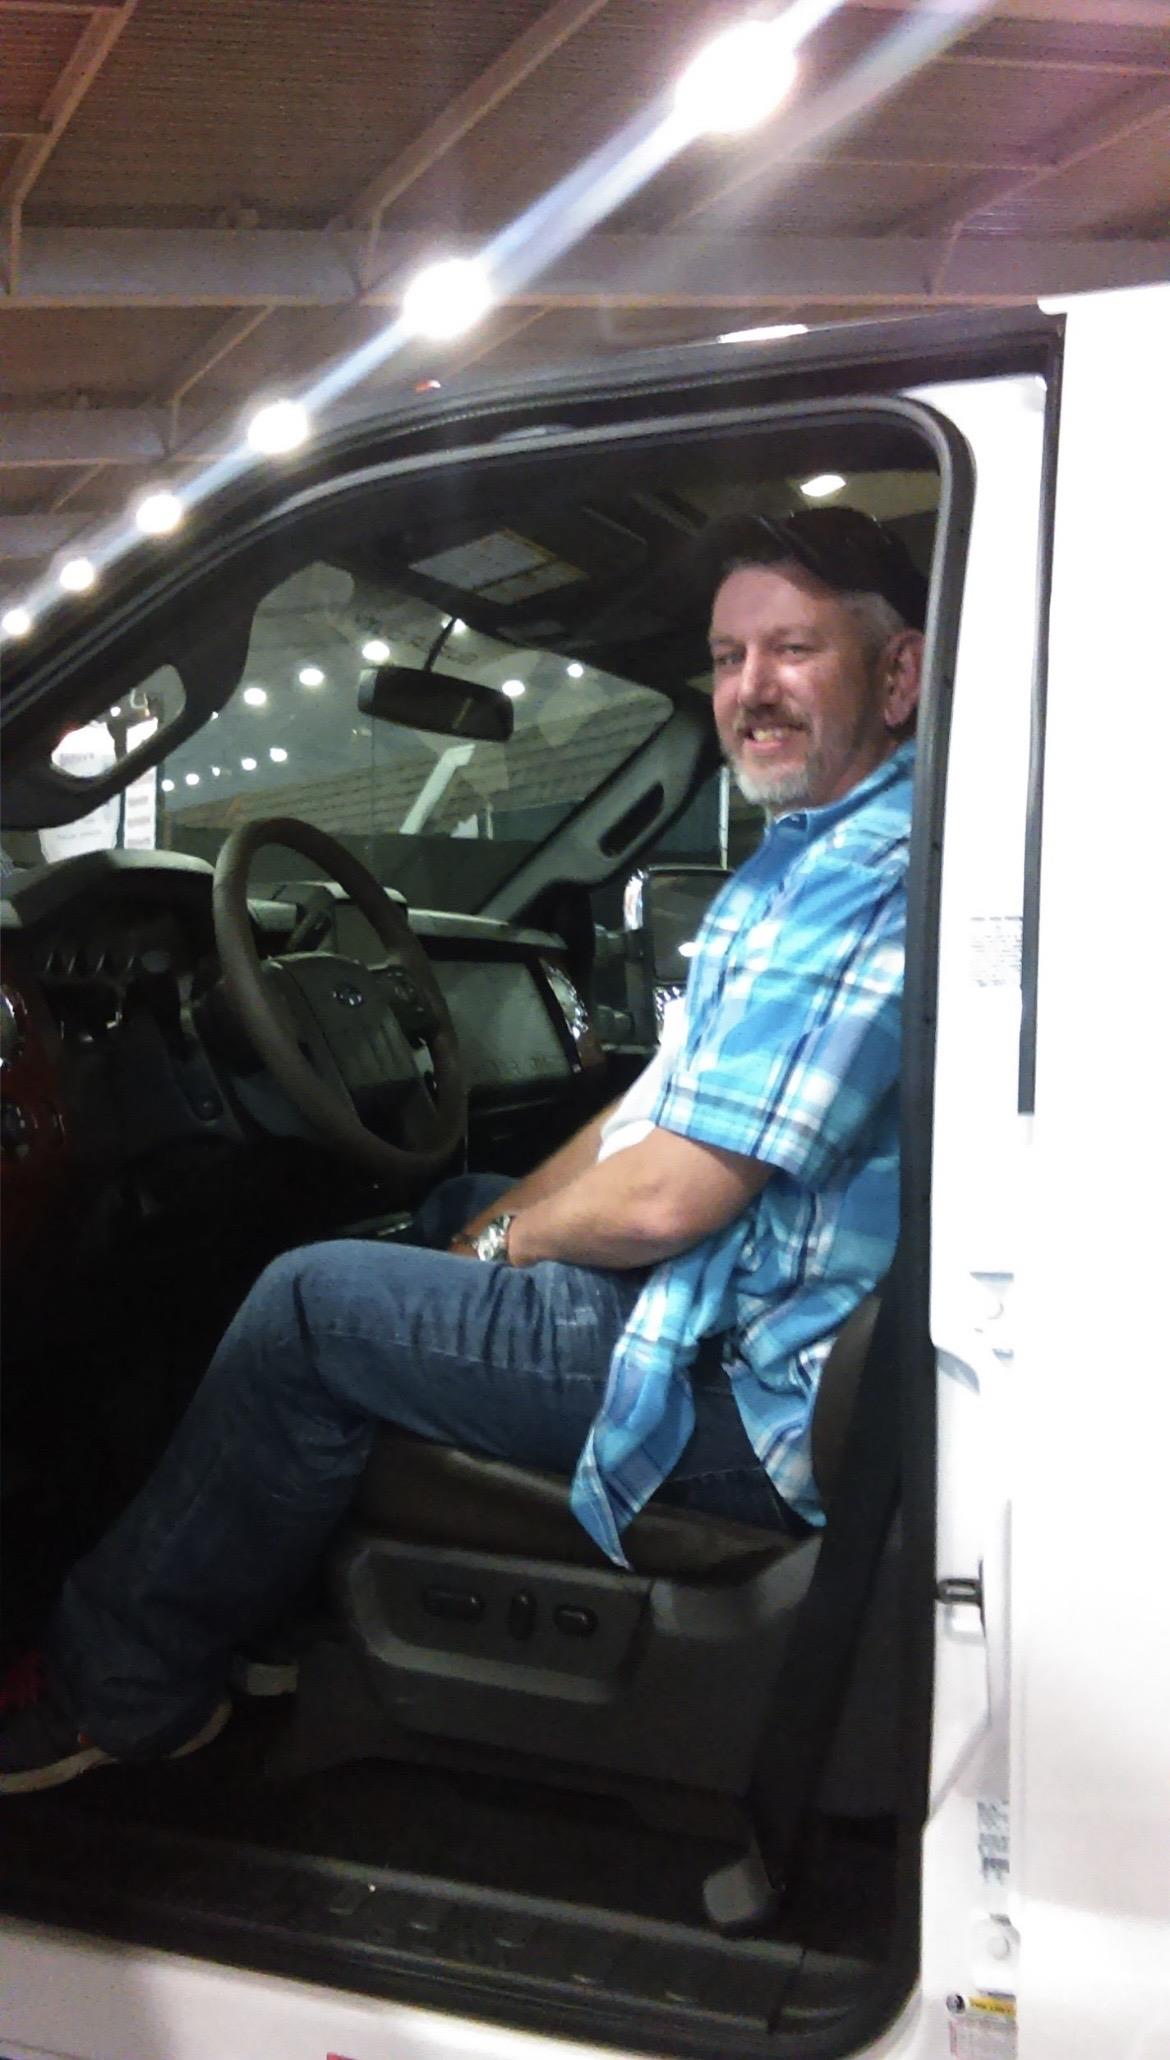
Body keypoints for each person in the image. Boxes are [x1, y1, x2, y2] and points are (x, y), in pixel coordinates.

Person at [0, 505, 925, 1794]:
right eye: (728, 657)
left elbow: (664, 1201)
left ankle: (125, 1687)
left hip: (746, 1388)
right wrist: (491, 1227)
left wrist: (505, 1248)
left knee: (307, 1307)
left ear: (899, 675)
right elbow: (652, 1108)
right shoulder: (801, 858)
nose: (749, 688)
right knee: (448, 1206)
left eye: (793, 650)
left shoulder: (868, 873)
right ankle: (258, 1607)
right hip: (746, 1309)